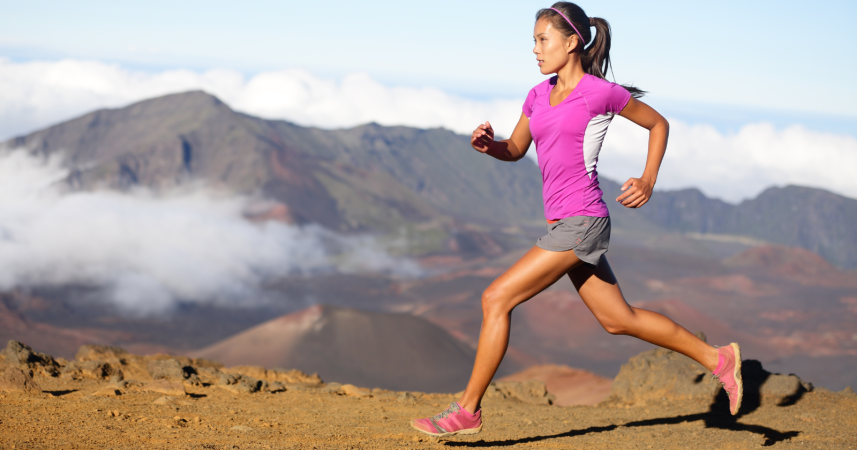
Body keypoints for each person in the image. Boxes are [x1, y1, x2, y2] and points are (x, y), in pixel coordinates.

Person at [410, 2, 743, 438]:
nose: (535, 49)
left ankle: (467, 411)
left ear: (571, 42)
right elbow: (516, 149)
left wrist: (648, 179)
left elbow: (658, 124)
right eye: (533, 41)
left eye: (542, 40)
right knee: (618, 319)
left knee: (496, 298)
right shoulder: (537, 95)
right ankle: (719, 359)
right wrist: (490, 146)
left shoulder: (600, 93)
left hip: (583, 221)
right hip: (563, 224)